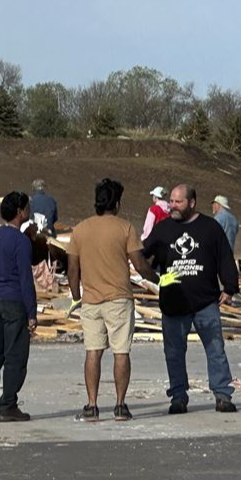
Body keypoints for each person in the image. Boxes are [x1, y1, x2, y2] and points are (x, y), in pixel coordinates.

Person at [143, 184, 239, 414]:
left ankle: (222, 395)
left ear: (192, 203)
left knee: (215, 348)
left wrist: (230, 287)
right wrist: (151, 277)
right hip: (174, 303)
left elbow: (224, 257)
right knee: (174, 352)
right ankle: (178, 396)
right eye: (172, 202)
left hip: (205, 301)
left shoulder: (210, 227)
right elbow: (142, 255)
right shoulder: (163, 229)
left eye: (178, 202)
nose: (172, 206)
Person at [67, 179, 158, 421]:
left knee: (93, 352)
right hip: (119, 298)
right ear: (116, 203)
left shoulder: (80, 230)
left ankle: (92, 405)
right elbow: (139, 265)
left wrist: (77, 296)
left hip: (91, 299)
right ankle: (119, 405)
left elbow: (72, 269)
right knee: (121, 352)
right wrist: (158, 279)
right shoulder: (125, 228)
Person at [0, 191, 36, 422]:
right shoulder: (21, 242)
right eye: (27, 208)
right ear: (20, 212)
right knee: (15, 355)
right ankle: (8, 404)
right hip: (14, 302)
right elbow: (25, 279)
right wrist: (31, 313)